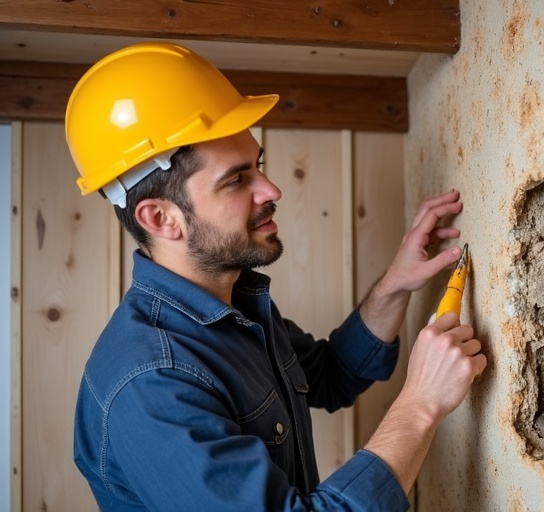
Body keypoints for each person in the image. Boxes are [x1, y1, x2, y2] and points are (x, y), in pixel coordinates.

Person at [66, 42, 487, 511]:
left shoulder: (233, 309)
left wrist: (396, 284)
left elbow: (330, 376)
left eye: (258, 166)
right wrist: (421, 405)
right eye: (237, 179)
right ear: (162, 219)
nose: (271, 190)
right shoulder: (151, 384)